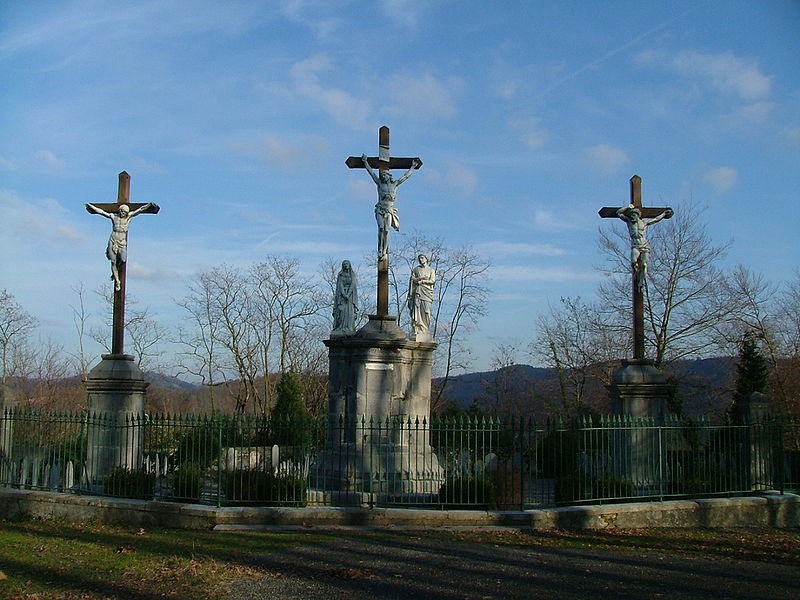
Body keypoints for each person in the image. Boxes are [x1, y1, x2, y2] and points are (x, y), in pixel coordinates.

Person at [86, 202, 158, 291]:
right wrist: (92, 207)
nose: (123, 213)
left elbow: (140, 210)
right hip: (113, 240)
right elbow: (101, 212)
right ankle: (117, 281)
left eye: (125, 212)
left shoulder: (129, 217)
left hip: (122, 242)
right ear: (120, 210)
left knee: (123, 259)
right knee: (113, 262)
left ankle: (116, 270)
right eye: (122, 212)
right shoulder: (114, 217)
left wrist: (149, 205)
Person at [362, 155, 420, 261]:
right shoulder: (380, 183)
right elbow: (372, 174)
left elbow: (405, 176)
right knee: (381, 228)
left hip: (389, 210)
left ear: (389, 176)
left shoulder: (394, 184)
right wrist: (366, 162)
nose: (383, 176)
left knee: (386, 230)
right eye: (382, 175)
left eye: (385, 175)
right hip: (380, 209)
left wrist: (412, 167)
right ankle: (380, 249)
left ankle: (384, 250)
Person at [615, 204, 673, 290]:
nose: (632, 217)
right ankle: (637, 276)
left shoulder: (644, 223)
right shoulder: (629, 222)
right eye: (631, 215)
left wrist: (664, 214)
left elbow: (656, 219)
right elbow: (618, 213)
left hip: (644, 246)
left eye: (634, 215)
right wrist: (628, 207)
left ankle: (642, 282)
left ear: (638, 215)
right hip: (635, 246)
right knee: (633, 262)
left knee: (644, 265)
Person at [408, 254, 435, 339]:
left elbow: (432, 281)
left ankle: (425, 330)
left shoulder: (431, 270)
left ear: (426, 259)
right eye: (419, 258)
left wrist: (423, 281)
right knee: (417, 310)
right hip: (418, 292)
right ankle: (417, 329)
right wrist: (419, 279)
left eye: (422, 258)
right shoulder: (416, 269)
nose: (420, 259)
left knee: (427, 311)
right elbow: (412, 280)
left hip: (427, 292)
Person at [333, 260, 358, 334]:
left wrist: (348, 294)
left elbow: (353, 284)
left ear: (349, 265)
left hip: (350, 297)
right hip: (341, 296)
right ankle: (340, 328)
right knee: (341, 312)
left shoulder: (352, 274)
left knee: (350, 313)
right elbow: (340, 285)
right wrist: (344, 294)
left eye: (347, 263)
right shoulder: (340, 274)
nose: (346, 265)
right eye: (344, 264)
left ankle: (349, 328)